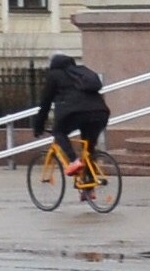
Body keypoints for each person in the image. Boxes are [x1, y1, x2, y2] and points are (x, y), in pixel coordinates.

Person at [33, 53, 108, 202]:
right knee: (88, 150)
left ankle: (74, 161)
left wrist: (38, 125)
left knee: (58, 131)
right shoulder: (82, 71)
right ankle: (88, 189)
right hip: (100, 112)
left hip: (76, 112)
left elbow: (45, 103)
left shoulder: (54, 75)